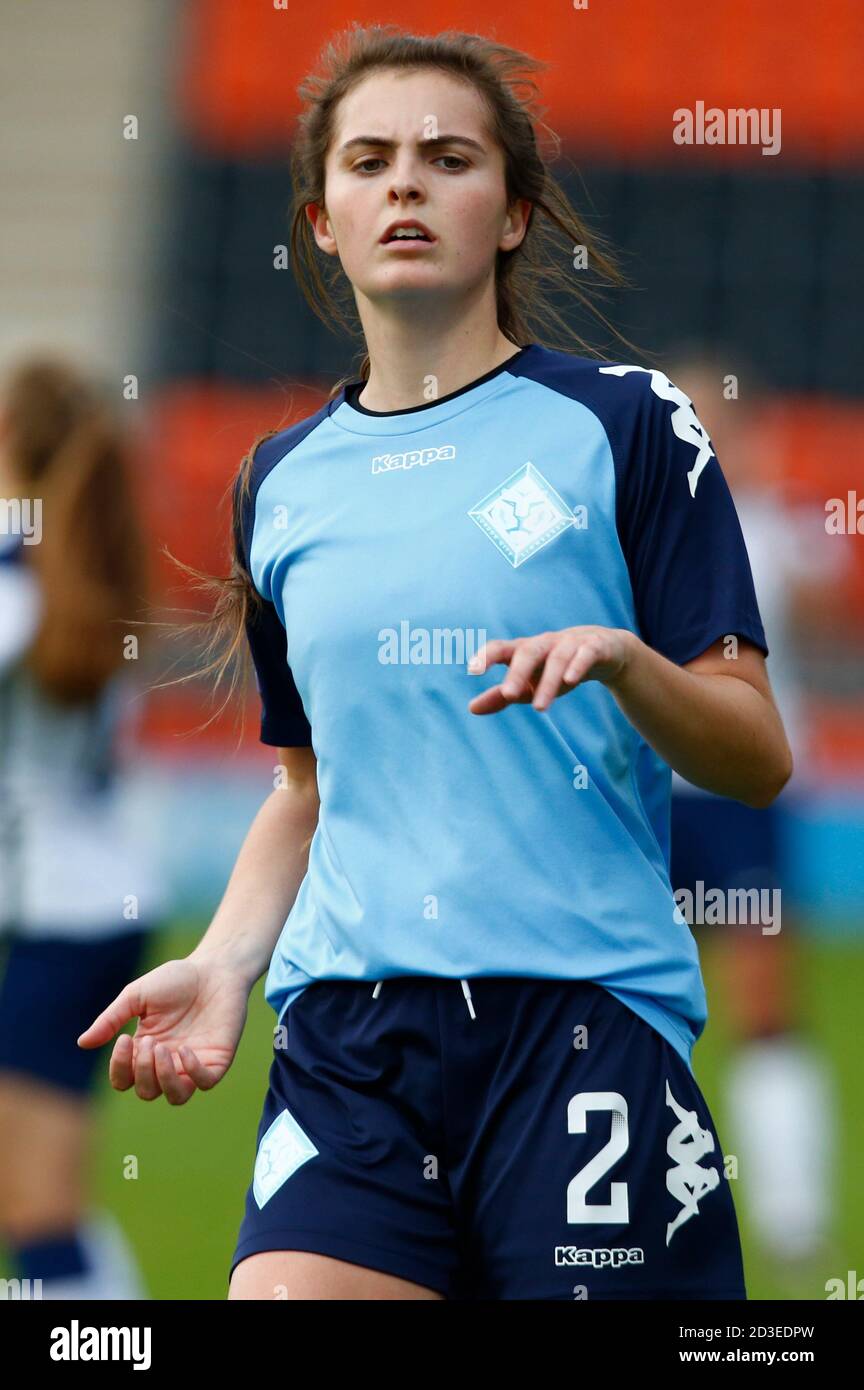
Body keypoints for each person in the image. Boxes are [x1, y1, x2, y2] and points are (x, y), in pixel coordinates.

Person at [78, 26, 792, 1301]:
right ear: (324, 217)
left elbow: (755, 751)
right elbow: (306, 788)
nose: (405, 183)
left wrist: (627, 663)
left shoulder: (625, 426)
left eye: (447, 157)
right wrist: (229, 964)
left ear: (513, 215)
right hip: (348, 1043)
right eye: (370, 160)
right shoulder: (279, 483)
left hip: (576, 1027)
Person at [665, 353, 841, 1274]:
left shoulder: (776, 528)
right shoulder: (634, 530)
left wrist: (766, 492)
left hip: (746, 797)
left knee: (765, 1008)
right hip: (647, 798)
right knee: (624, 1006)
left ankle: (790, 1209)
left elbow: (826, 608)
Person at [0, 355, 163, 1298]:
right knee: (36, 1197)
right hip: (85, 900)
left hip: (61, 911)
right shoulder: (79, 557)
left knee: (36, 1203)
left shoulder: (25, 569)